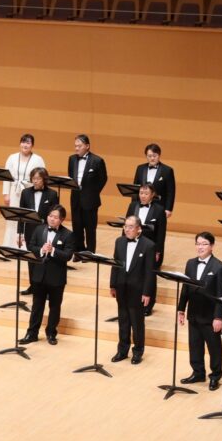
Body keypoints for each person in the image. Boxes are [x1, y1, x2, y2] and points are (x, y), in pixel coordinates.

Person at [178, 232, 222, 390]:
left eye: (204, 244)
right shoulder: (190, 263)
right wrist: (181, 309)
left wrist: (218, 317)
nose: (200, 247)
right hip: (193, 313)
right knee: (195, 345)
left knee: (214, 348)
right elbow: (185, 287)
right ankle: (198, 372)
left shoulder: (219, 267)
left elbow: (221, 295)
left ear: (211, 246)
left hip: (210, 315)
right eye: (198, 243)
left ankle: (215, 376)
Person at [21, 205, 74, 345]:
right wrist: (41, 250)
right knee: (37, 306)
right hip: (39, 275)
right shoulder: (39, 229)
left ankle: (51, 333)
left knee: (54, 307)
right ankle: (32, 333)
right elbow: (31, 245)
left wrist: (53, 250)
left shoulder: (68, 234)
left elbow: (68, 255)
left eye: (55, 217)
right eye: (50, 216)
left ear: (62, 219)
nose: (52, 219)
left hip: (56, 277)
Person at [110, 216, 156, 363]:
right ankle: (122, 350)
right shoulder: (119, 241)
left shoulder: (149, 245)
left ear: (139, 229)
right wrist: (113, 285)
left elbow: (150, 272)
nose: (127, 229)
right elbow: (115, 265)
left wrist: (147, 292)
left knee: (137, 323)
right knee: (123, 321)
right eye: (126, 226)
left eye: (131, 227)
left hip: (138, 290)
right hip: (121, 287)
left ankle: (137, 352)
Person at [125, 183, 166, 314]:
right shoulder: (133, 206)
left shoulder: (159, 209)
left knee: (149, 274)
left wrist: (158, 251)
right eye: (141, 193)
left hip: (150, 247)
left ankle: (148, 305)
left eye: (146, 193)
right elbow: (126, 226)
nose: (143, 196)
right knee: (134, 273)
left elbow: (161, 233)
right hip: (133, 244)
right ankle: (134, 302)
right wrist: (124, 243)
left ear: (152, 195)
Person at [18, 167, 57, 294]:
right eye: (33, 178)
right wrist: (20, 234)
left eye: (38, 179)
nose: (35, 181)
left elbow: (55, 215)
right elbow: (20, 215)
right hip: (30, 231)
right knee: (31, 260)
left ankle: (45, 289)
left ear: (44, 179)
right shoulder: (25, 193)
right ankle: (33, 286)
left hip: (45, 232)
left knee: (45, 260)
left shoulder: (52, 194)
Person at [2, 133, 46, 247]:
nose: (25, 145)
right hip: (14, 192)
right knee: (13, 218)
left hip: (30, 193)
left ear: (32, 145)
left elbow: (43, 177)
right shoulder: (12, 157)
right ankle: (10, 245)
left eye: (28, 143)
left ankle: (27, 246)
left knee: (27, 218)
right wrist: (6, 194)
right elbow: (6, 177)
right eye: (23, 142)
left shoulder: (38, 159)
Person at [67, 134, 107, 254]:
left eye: (79, 146)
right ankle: (78, 252)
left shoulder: (97, 160)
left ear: (87, 146)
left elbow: (103, 179)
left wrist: (92, 192)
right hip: (75, 199)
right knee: (77, 227)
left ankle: (89, 253)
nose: (76, 148)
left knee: (90, 228)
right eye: (75, 146)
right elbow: (71, 176)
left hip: (90, 200)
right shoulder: (72, 159)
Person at [132, 143, 175, 217]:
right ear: (146, 156)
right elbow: (135, 188)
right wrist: (133, 205)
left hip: (159, 206)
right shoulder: (140, 168)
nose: (152, 158)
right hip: (141, 205)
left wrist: (168, 209)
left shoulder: (167, 170)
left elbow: (170, 192)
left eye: (154, 156)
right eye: (149, 156)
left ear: (159, 155)